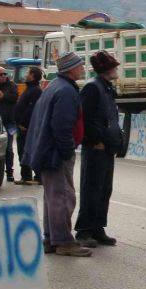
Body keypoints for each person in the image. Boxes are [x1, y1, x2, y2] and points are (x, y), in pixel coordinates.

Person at [24, 52, 91, 257]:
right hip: (54, 152)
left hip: (45, 150)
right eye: (79, 65)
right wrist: (67, 150)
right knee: (62, 196)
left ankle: (50, 238)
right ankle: (63, 241)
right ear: (71, 68)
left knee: (52, 196)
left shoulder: (54, 86)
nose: (82, 68)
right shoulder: (66, 91)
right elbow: (61, 125)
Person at [75, 51, 124, 247]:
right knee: (92, 188)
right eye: (113, 66)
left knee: (104, 189)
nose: (116, 69)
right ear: (106, 69)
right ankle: (84, 230)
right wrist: (94, 140)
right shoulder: (92, 88)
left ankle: (97, 227)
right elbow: (84, 118)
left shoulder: (106, 88)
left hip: (107, 146)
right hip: (96, 146)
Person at [0, 66, 19, 182]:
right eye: (0, 74)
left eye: (4, 74)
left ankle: (10, 171)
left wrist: (3, 96)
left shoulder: (12, 85)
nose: (3, 76)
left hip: (9, 122)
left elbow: (15, 97)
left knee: (9, 149)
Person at [14, 66, 44, 185]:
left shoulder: (36, 90)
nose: (26, 75)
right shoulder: (29, 88)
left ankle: (37, 176)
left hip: (28, 127)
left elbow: (31, 109)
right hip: (23, 126)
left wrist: (23, 123)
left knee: (30, 150)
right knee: (23, 151)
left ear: (32, 76)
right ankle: (25, 176)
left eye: (28, 73)